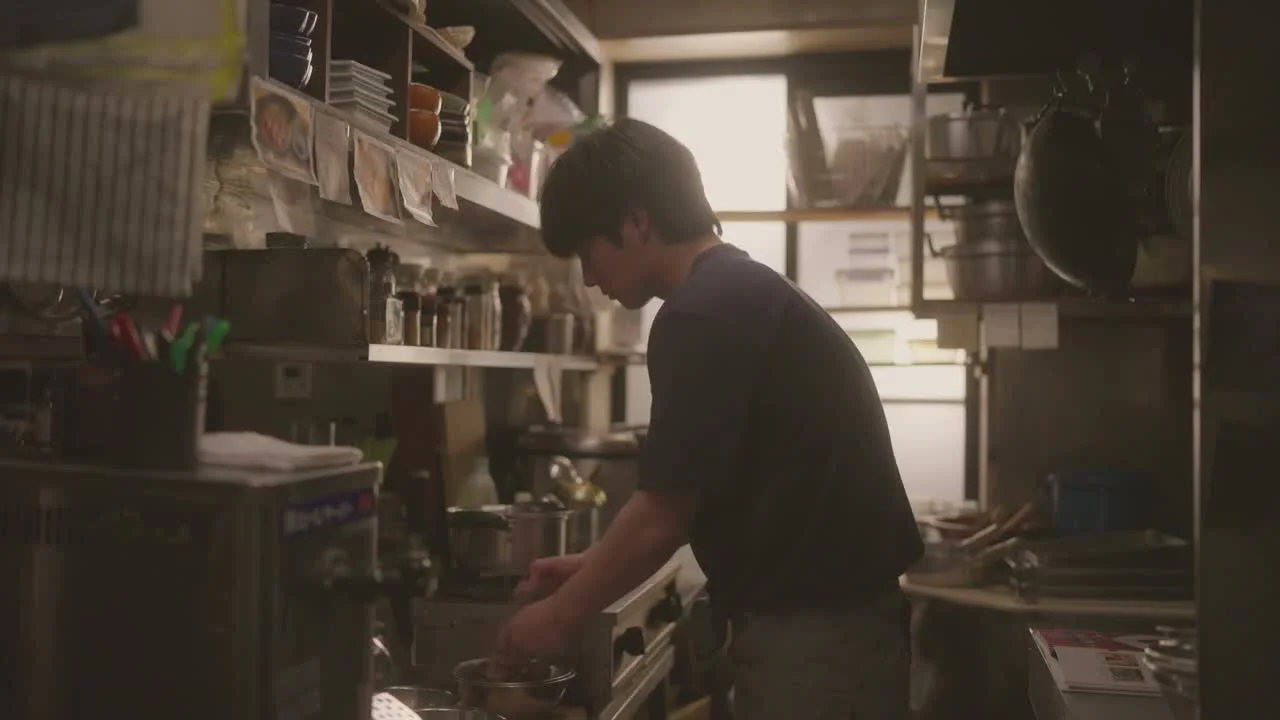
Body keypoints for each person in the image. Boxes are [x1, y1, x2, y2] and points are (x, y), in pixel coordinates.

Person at [495, 118, 924, 720]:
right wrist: (590, 569)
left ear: (636, 222)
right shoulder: (734, 291)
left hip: (816, 644)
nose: (589, 278)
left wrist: (555, 618)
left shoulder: (703, 314)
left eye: (588, 253)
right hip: (836, 631)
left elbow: (661, 519)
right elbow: (689, 494)